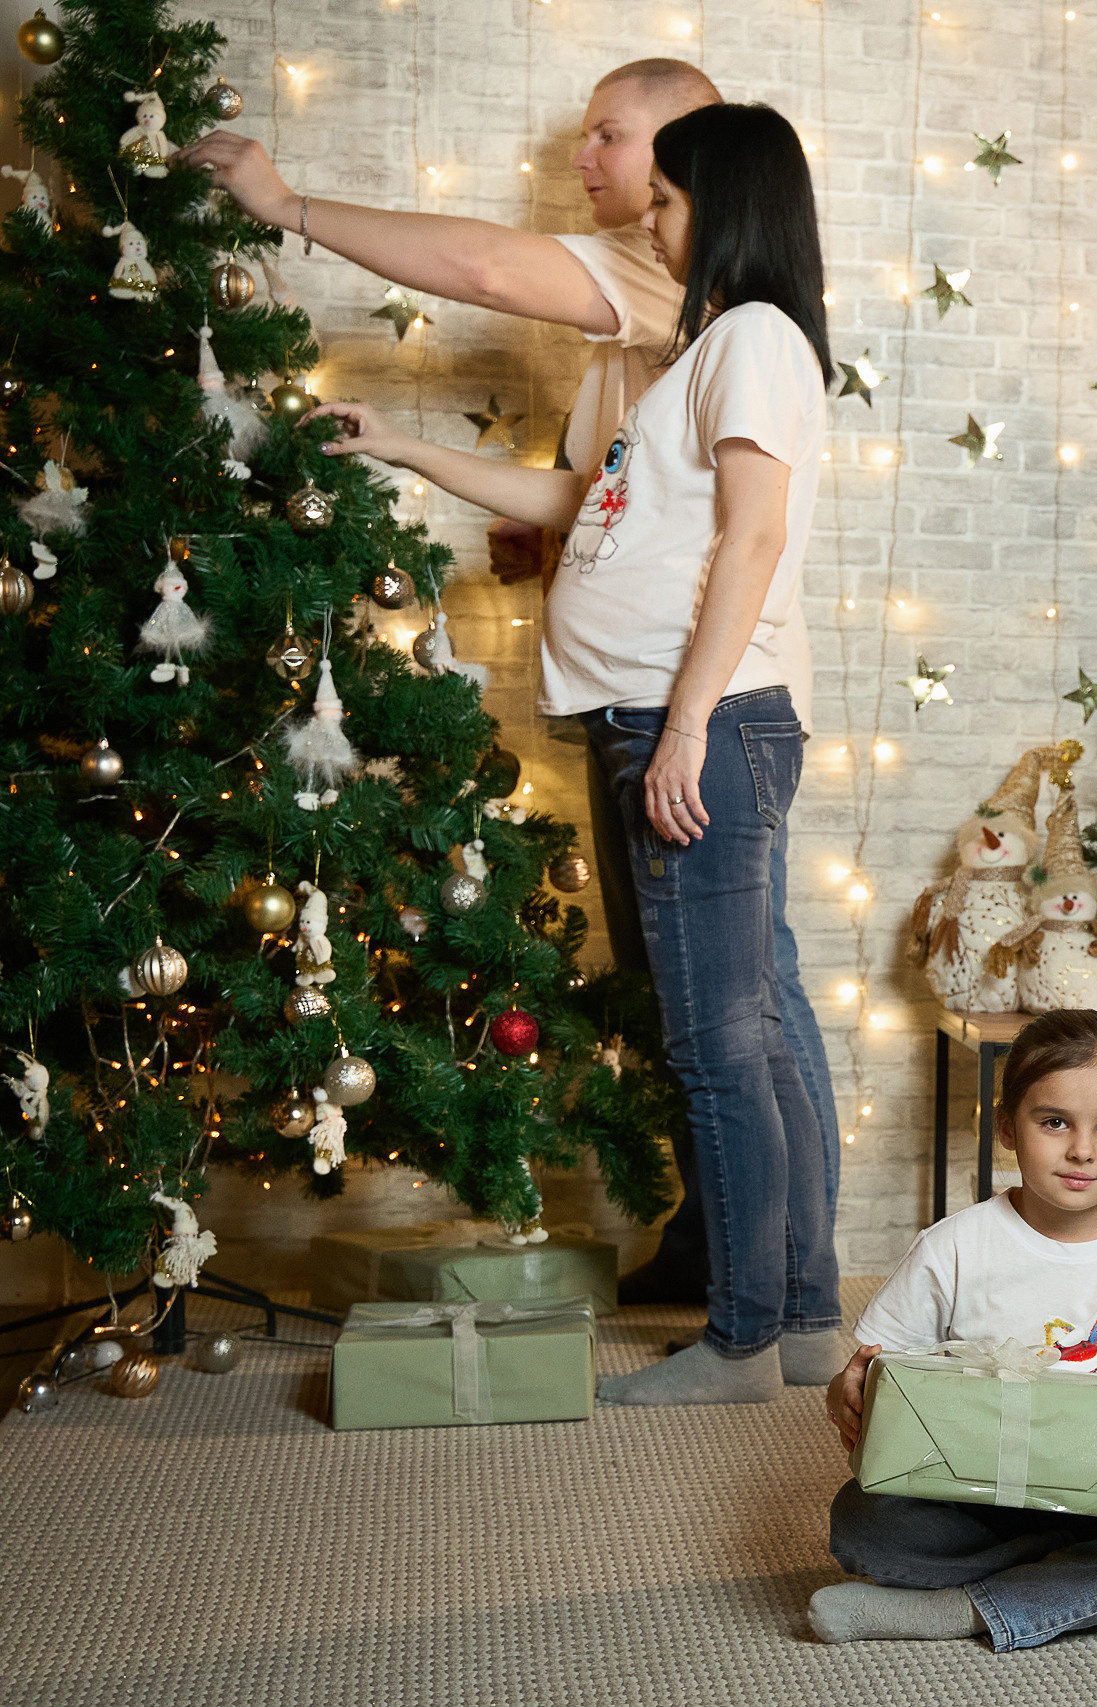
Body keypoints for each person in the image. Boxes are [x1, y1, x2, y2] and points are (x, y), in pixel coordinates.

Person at [176, 60, 834, 1311]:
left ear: (698, 173)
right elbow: (595, 499)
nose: (607, 175)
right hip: (638, 707)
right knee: (717, 1021)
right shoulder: (675, 335)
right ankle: (764, 1285)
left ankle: (777, 1308)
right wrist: (411, 448)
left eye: (622, 143)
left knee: (735, 1026)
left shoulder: (726, 321)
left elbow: (743, 532)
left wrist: (291, 205)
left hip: (692, 710)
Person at [816, 1011, 1097, 1648]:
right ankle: (1076, 1572)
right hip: (982, 1495)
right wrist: (844, 1394)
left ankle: (968, 1607)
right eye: (1054, 1123)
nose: (1082, 1150)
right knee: (859, 1523)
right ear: (1008, 1126)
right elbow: (872, 1371)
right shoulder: (954, 1246)